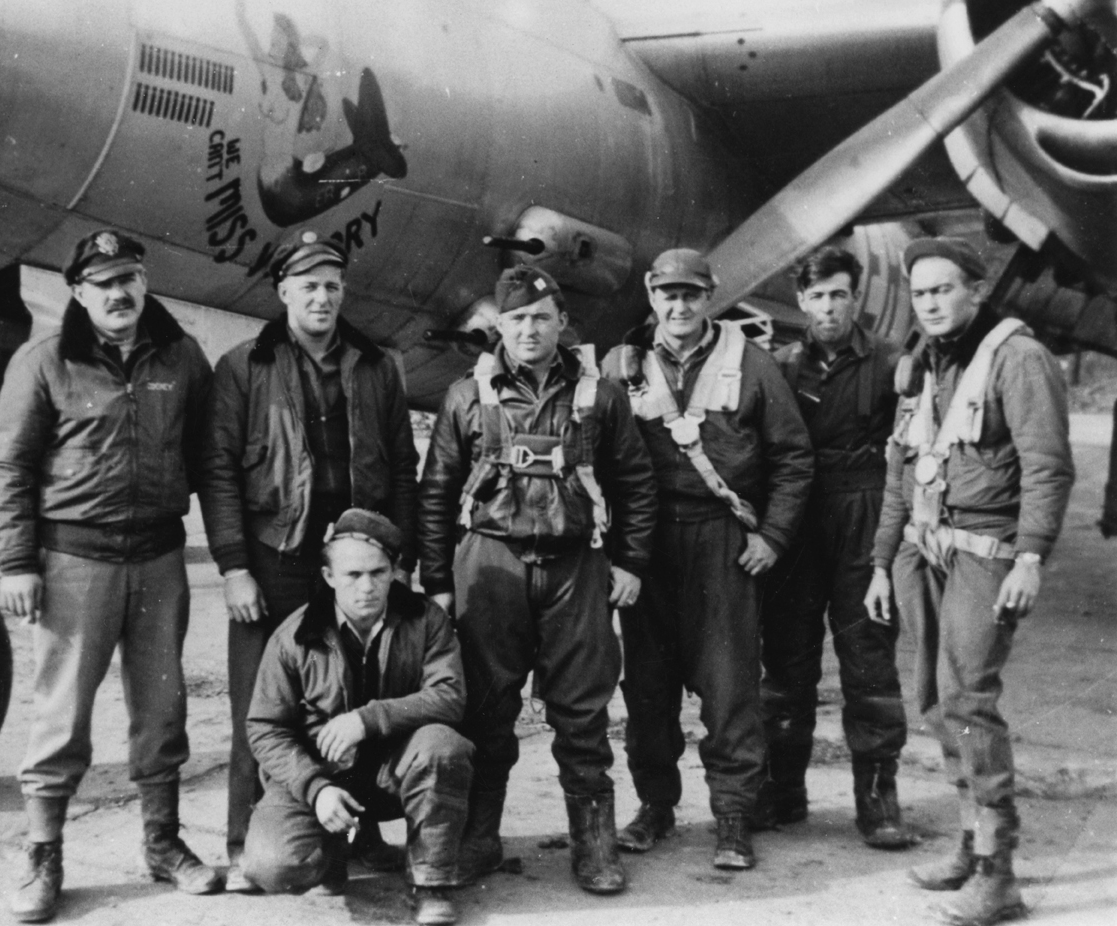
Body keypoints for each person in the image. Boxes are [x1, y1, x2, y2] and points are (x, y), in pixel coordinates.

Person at [0, 229, 221, 922]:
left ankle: (162, 842)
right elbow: (9, 466)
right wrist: (15, 562)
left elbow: (211, 461)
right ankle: (42, 852)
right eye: (103, 283)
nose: (119, 293)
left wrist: (237, 554)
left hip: (156, 559)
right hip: (72, 564)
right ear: (80, 294)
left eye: (129, 278)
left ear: (145, 282)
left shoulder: (181, 357)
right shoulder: (44, 362)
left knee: (162, 708)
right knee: (61, 715)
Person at [420, 265, 658, 895]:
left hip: (574, 567)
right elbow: (438, 490)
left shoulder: (600, 395)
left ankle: (594, 845)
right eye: (517, 319)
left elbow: (635, 481)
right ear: (500, 325)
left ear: (562, 324)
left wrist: (631, 561)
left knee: (582, 710)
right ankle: (478, 838)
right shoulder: (465, 396)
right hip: (490, 565)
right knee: (484, 706)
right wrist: (439, 580)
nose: (529, 329)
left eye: (541, 318)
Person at [200, 230, 421, 890]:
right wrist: (234, 563)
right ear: (283, 292)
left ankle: (364, 835)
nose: (321, 298)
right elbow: (217, 470)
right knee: (260, 703)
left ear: (343, 292)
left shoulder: (377, 367)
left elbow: (404, 471)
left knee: (363, 690)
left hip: (359, 562)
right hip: (276, 558)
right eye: (307, 286)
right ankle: (246, 841)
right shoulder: (244, 366)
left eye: (331, 286)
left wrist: (399, 561)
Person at [864, 237, 1074, 926]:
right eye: (919, 293)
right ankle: (967, 842)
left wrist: (1031, 558)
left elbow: (1047, 467)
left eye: (941, 290)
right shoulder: (925, 363)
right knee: (932, 697)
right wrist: (881, 560)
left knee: (969, 699)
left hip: (986, 552)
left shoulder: (1019, 357)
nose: (928, 303)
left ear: (974, 291)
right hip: (922, 553)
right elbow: (902, 469)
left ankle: (999, 873)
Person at [602, 248, 813, 871]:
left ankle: (732, 816)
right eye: (668, 293)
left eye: (692, 294)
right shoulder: (624, 367)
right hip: (648, 542)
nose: (680, 305)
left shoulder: (750, 364)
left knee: (728, 687)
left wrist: (771, 537)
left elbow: (794, 458)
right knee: (647, 686)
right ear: (650, 293)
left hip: (720, 539)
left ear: (711, 296)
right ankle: (656, 806)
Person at [243, 509, 469, 926]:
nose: (367, 587)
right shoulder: (295, 636)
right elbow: (265, 727)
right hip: (325, 774)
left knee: (443, 746)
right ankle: (336, 850)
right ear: (329, 577)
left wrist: (368, 719)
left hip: (392, 770)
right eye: (352, 575)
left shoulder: (426, 621)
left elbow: (450, 696)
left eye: (378, 572)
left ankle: (430, 881)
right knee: (271, 865)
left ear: (394, 572)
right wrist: (315, 789)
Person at [757, 246, 912, 847]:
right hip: (798, 520)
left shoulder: (890, 364)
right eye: (817, 296)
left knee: (868, 661)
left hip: (863, 512)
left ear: (855, 299)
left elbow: (909, 453)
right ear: (801, 302)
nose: (828, 307)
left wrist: (890, 544)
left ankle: (877, 800)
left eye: (839, 295)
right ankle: (782, 791)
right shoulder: (780, 366)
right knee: (787, 663)